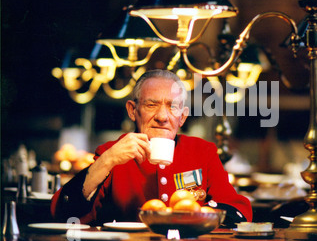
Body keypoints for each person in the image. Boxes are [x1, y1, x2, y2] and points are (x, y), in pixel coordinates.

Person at [51, 70, 252, 226]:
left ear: (182, 117)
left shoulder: (202, 151)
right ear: (132, 110)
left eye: (172, 107)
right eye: (151, 105)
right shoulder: (110, 152)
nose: (163, 117)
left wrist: (194, 214)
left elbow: (239, 209)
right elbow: (63, 211)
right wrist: (108, 160)